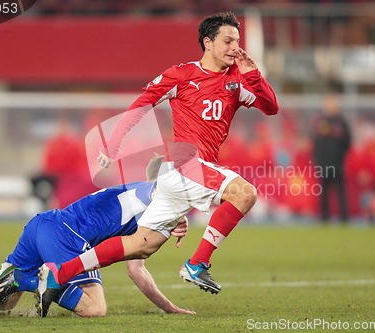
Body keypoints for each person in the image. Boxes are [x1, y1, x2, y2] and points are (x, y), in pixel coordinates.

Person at [36, 11, 279, 308]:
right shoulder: (182, 75)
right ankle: (196, 264)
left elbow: (272, 107)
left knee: (141, 245)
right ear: (207, 42)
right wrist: (113, 145)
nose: (235, 48)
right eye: (228, 41)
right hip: (186, 164)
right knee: (246, 193)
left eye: (237, 41)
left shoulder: (237, 82)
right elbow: (142, 104)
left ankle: (59, 273)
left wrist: (253, 74)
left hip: (185, 174)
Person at [0, 156, 194, 317]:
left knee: (3, 307)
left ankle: (4, 276)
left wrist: (170, 308)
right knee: (95, 308)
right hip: (66, 237)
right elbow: (158, 193)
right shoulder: (151, 192)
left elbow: (136, 271)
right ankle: (20, 278)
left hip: (43, 224)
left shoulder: (140, 212)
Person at [311, 93, 351, 222]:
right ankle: (324, 217)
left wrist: (340, 156)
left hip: (337, 162)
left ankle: (344, 217)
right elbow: (315, 142)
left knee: (340, 190)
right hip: (323, 162)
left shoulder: (342, 122)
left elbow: (348, 141)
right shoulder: (319, 121)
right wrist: (317, 159)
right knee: (323, 192)